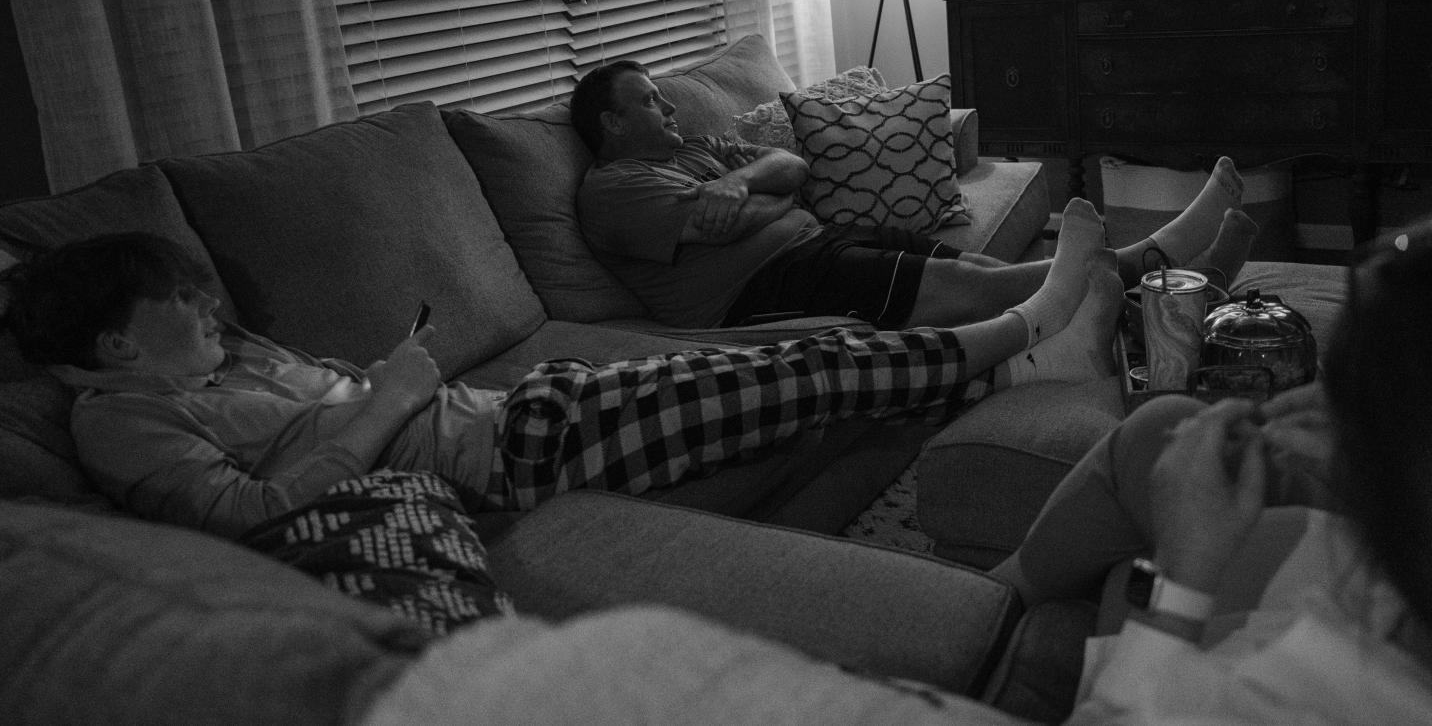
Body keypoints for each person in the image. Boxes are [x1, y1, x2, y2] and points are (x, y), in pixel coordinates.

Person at [0, 224, 1128, 539]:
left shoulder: (206, 365)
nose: (209, 314)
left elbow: (304, 404)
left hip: (525, 412)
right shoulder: (123, 423)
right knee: (814, 369)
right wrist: (392, 394)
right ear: (110, 345)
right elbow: (246, 515)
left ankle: (1033, 352)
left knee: (793, 360)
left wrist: (381, 381)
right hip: (517, 461)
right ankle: (1038, 323)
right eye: (181, 307)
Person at [986, 198, 1432, 725]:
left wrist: (1180, 576)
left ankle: (981, 621)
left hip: (1178, 657)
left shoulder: (1286, 703)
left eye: (1360, 402)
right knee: (1163, 429)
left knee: (1134, 518)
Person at [571, 59, 1258, 364]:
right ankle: (1155, 262)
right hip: (759, 290)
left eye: (664, 97)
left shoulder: (693, 151)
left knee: (989, 269)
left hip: (820, 243)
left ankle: (1165, 303)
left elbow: (792, 169)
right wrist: (754, 199)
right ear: (611, 121)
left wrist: (743, 184)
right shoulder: (615, 189)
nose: (667, 108)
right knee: (983, 290)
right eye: (649, 101)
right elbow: (713, 224)